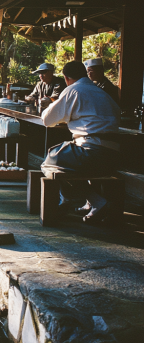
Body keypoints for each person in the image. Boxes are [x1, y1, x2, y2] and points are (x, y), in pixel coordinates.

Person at [41, 61, 120, 223]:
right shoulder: (102, 92)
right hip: (114, 156)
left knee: (50, 159)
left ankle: (83, 200)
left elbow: (47, 120)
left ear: (66, 78)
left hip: (92, 153)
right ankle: (89, 201)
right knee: (66, 154)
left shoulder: (73, 90)